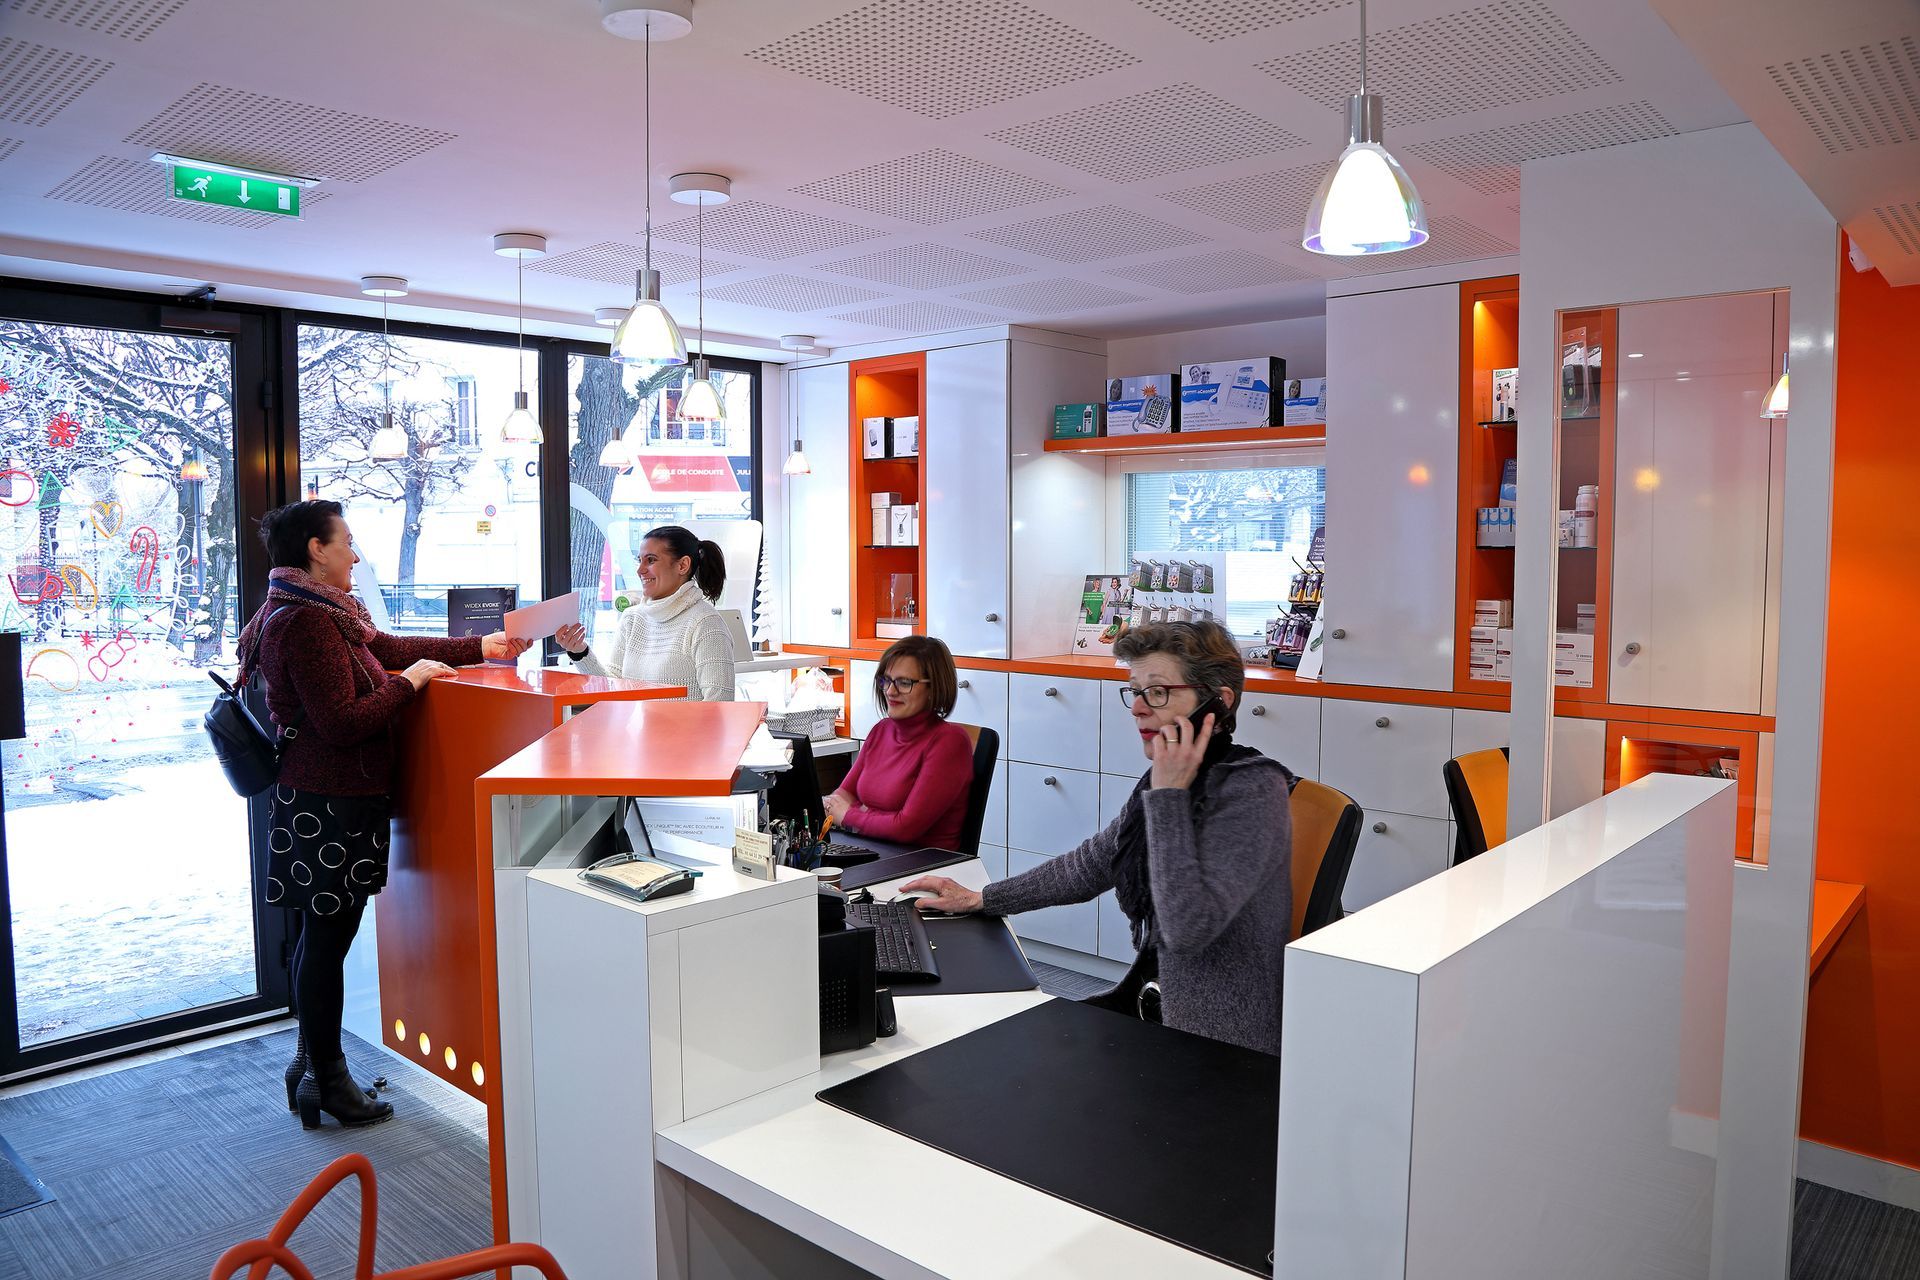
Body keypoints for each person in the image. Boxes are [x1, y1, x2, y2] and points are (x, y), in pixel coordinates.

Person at [239, 500, 531, 1129]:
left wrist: (478, 645)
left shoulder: (313, 611)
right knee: (326, 945)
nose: (356, 554)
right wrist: (411, 683)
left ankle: (311, 1067)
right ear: (316, 550)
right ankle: (331, 1080)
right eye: (346, 541)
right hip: (330, 803)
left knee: (322, 942)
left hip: (324, 799)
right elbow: (343, 723)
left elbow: (388, 647)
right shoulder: (308, 623)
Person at [904, 621, 1294, 1056]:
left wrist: (1167, 797)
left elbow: (1186, 930)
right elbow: (1090, 865)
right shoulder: (1170, 779)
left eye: (1159, 691)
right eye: (1135, 690)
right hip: (1156, 1010)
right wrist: (980, 899)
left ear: (1218, 703)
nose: (1139, 709)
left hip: (1218, 1049)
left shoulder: (1252, 792)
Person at [825, 635, 973, 851]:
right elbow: (842, 796)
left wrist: (851, 815)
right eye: (886, 680)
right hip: (872, 850)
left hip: (921, 865)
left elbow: (906, 828)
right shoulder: (881, 730)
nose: (890, 691)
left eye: (904, 683)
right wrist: (856, 814)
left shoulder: (950, 742)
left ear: (934, 688)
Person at [555, 525, 735, 701]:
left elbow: (720, 704)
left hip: (682, 732)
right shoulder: (632, 618)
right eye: (639, 560)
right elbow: (613, 688)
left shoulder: (706, 622)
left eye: (651, 560)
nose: (640, 570)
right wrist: (579, 652)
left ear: (682, 565)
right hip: (634, 730)